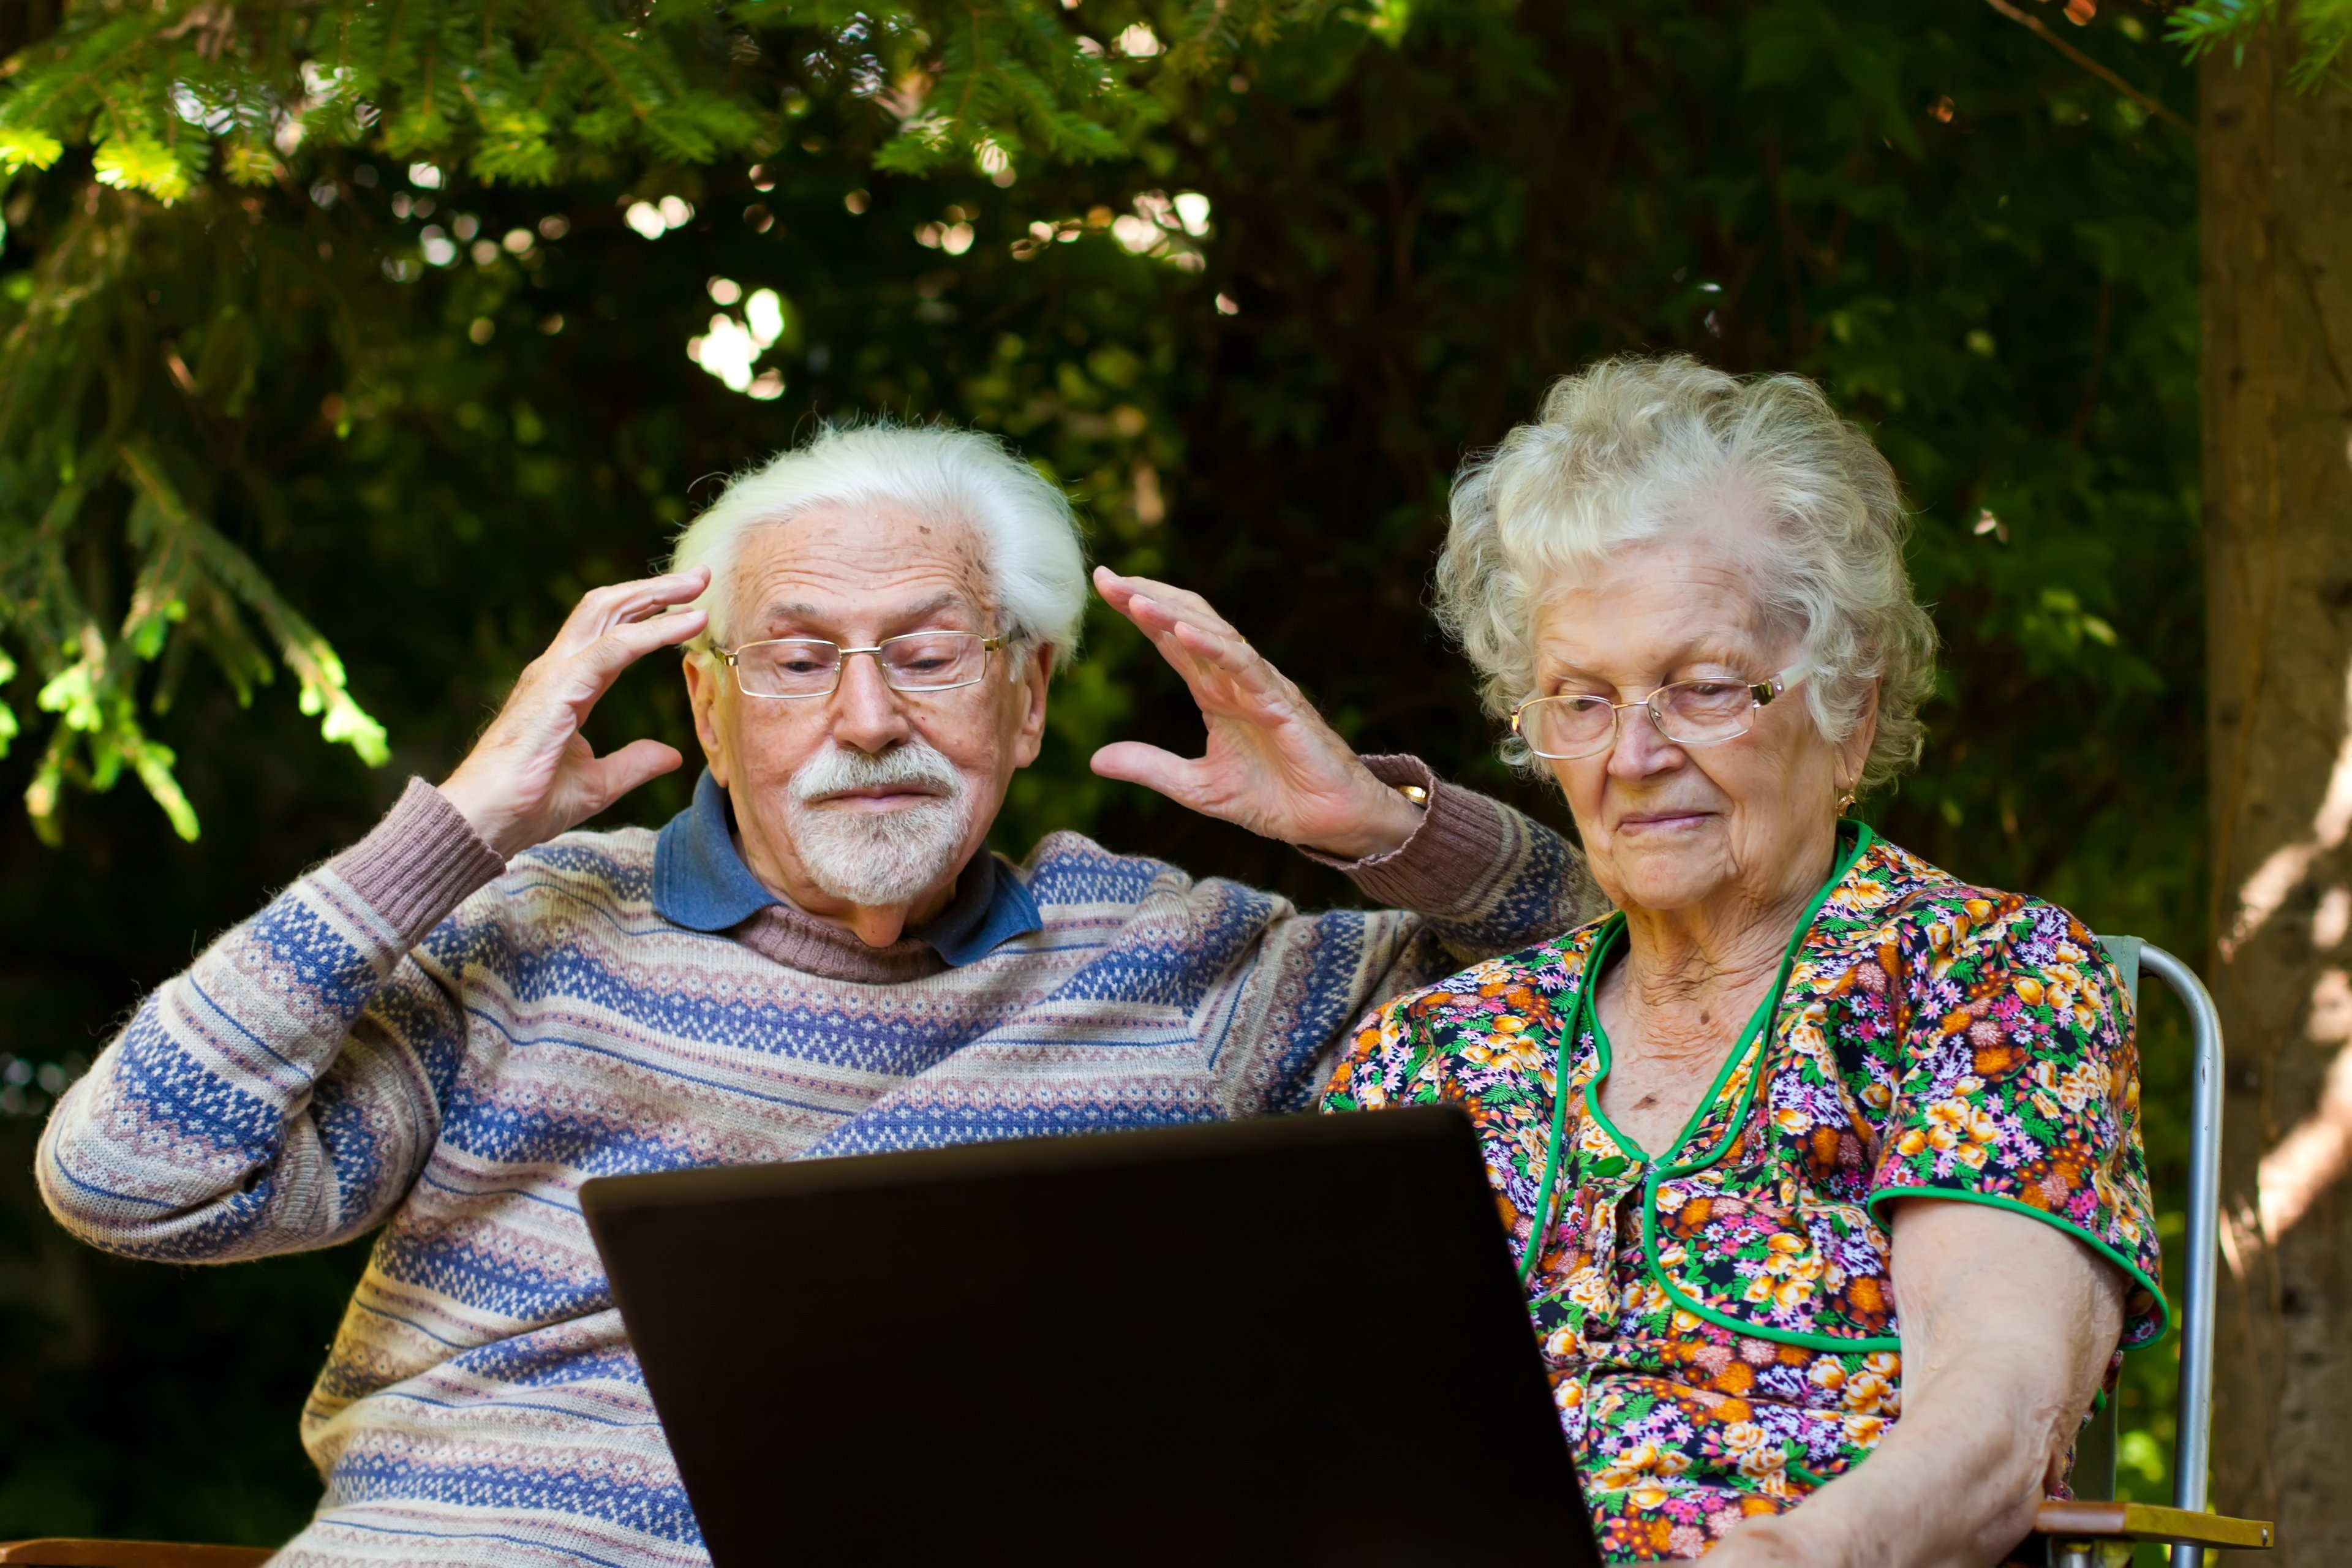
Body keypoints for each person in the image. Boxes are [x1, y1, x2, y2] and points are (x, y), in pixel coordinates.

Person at [37, 421, 1598, 1568]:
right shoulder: (535, 934)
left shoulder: (1171, 961)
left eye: (926, 654)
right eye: (793, 662)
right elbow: (130, 1179)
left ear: (1027, 694)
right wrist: (453, 835)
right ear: (707, 708)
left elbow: (1653, 972)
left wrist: (1390, 833)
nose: (865, 719)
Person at [1322, 356, 2163, 1566]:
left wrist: (1796, 1557)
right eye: (1581, 698)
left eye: (1704, 687)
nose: (1636, 752)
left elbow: (1998, 1407)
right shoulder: (1429, 1052)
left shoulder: (1982, 981)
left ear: (1851, 709)